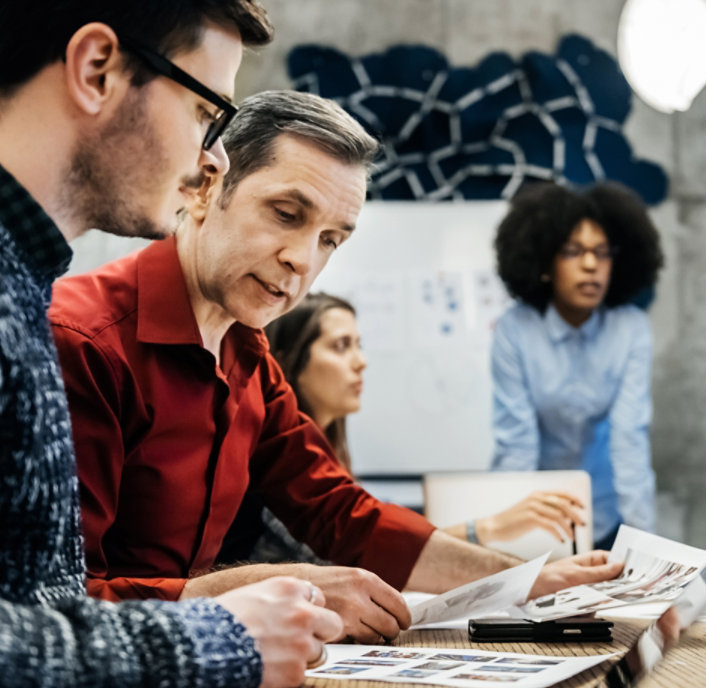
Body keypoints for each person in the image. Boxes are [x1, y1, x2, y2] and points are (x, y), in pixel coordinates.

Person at [50, 91, 624, 646]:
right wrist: (259, 587)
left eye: (330, 239)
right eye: (285, 214)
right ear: (205, 187)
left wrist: (531, 582)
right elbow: (57, 607)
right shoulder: (83, 342)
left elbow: (344, 515)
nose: (302, 260)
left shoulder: (247, 353)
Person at [0, 3, 346, 688]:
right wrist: (214, 639)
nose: (213, 160)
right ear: (97, 70)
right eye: (205, 111)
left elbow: (34, 608)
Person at [218, 292, 589, 566]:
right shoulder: (273, 462)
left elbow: (368, 534)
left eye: (359, 346)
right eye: (341, 346)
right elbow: (346, 561)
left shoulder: (331, 453)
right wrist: (487, 530)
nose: (361, 362)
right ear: (285, 361)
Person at [491, 181, 664, 550]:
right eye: (573, 251)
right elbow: (516, 445)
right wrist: (501, 544)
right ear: (544, 263)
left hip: (606, 515)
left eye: (602, 253)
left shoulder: (631, 329)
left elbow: (629, 436)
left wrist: (646, 548)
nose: (590, 265)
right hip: (536, 518)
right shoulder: (514, 330)